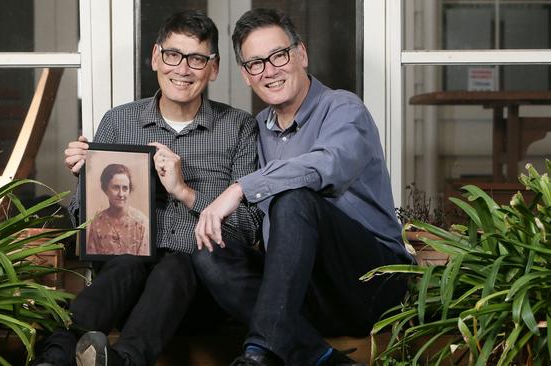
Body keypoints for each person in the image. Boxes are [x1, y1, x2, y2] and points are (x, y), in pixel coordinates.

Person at [33, 10, 261, 366]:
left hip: (200, 297)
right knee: (127, 264)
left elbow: (248, 228)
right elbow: (85, 225)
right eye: (173, 55)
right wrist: (89, 180)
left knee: (175, 266)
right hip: (125, 293)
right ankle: (55, 356)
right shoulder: (119, 121)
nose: (182, 69)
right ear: (156, 57)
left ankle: (122, 360)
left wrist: (185, 192)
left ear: (213, 68)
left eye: (197, 59)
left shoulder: (238, 129)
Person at [193, 8, 415, 366]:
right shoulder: (259, 129)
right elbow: (248, 217)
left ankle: (259, 353)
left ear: (301, 54)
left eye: (278, 55)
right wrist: (184, 191)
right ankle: (323, 357)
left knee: (294, 198)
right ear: (246, 75)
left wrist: (239, 188)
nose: (269, 70)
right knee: (209, 254)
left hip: (370, 284)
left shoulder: (343, 108)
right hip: (303, 292)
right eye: (256, 63)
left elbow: (327, 165)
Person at [86, 164, 149, 256]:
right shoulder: (97, 223)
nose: (121, 194)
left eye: (125, 188)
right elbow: (93, 260)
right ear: (106, 189)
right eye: (115, 187)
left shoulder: (142, 222)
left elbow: (145, 262)